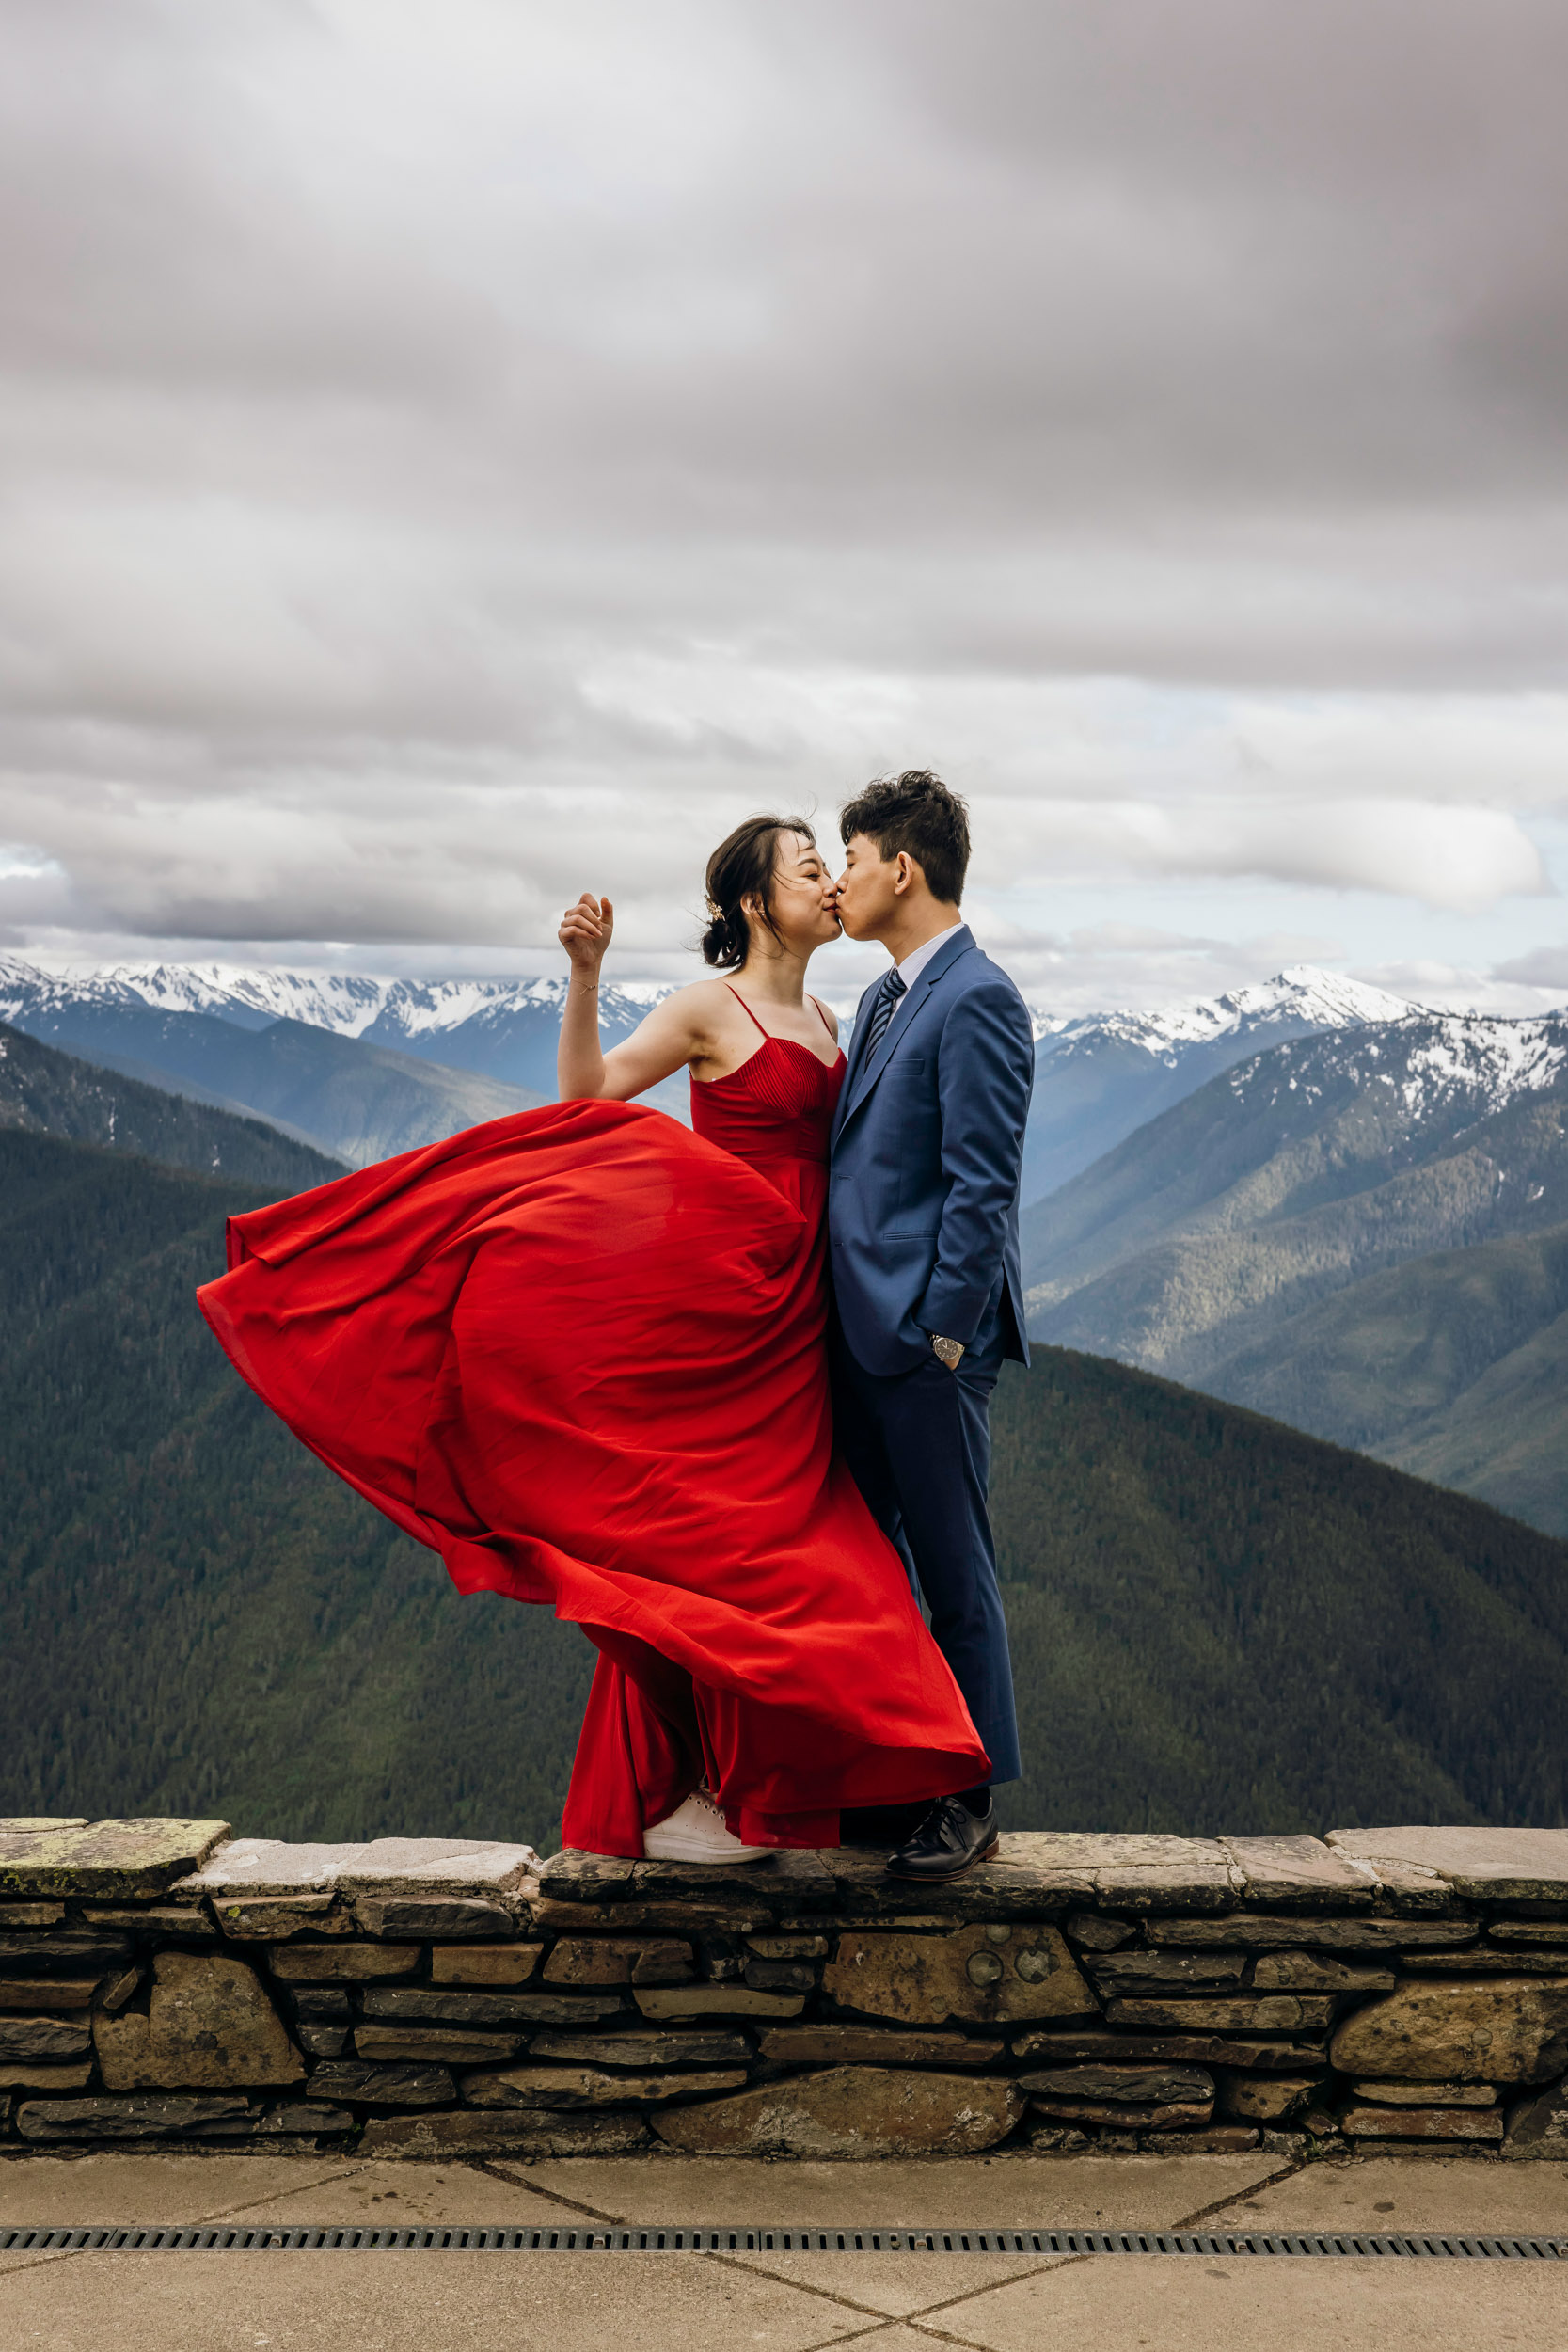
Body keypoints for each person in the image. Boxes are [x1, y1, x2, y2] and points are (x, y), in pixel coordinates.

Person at [198, 813, 987, 1867]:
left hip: (807, 1313)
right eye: (809, 868)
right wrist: (585, 972)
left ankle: (780, 1790)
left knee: (762, 1545)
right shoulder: (711, 1005)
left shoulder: (837, 1019)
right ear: (757, 901)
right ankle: (703, 1789)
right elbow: (587, 1097)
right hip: (724, 1305)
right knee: (716, 1540)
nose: (828, 883)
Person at [829, 771, 1034, 1881]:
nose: (841, 878)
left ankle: (966, 1795)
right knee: (873, 1567)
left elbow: (980, 1183)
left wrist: (942, 1333)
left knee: (953, 1570)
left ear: (900, 868)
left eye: (849, 858)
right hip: (860, 1334)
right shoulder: (880, 999)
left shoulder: (978, 998)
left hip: (919, 1344)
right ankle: (904, 1777)